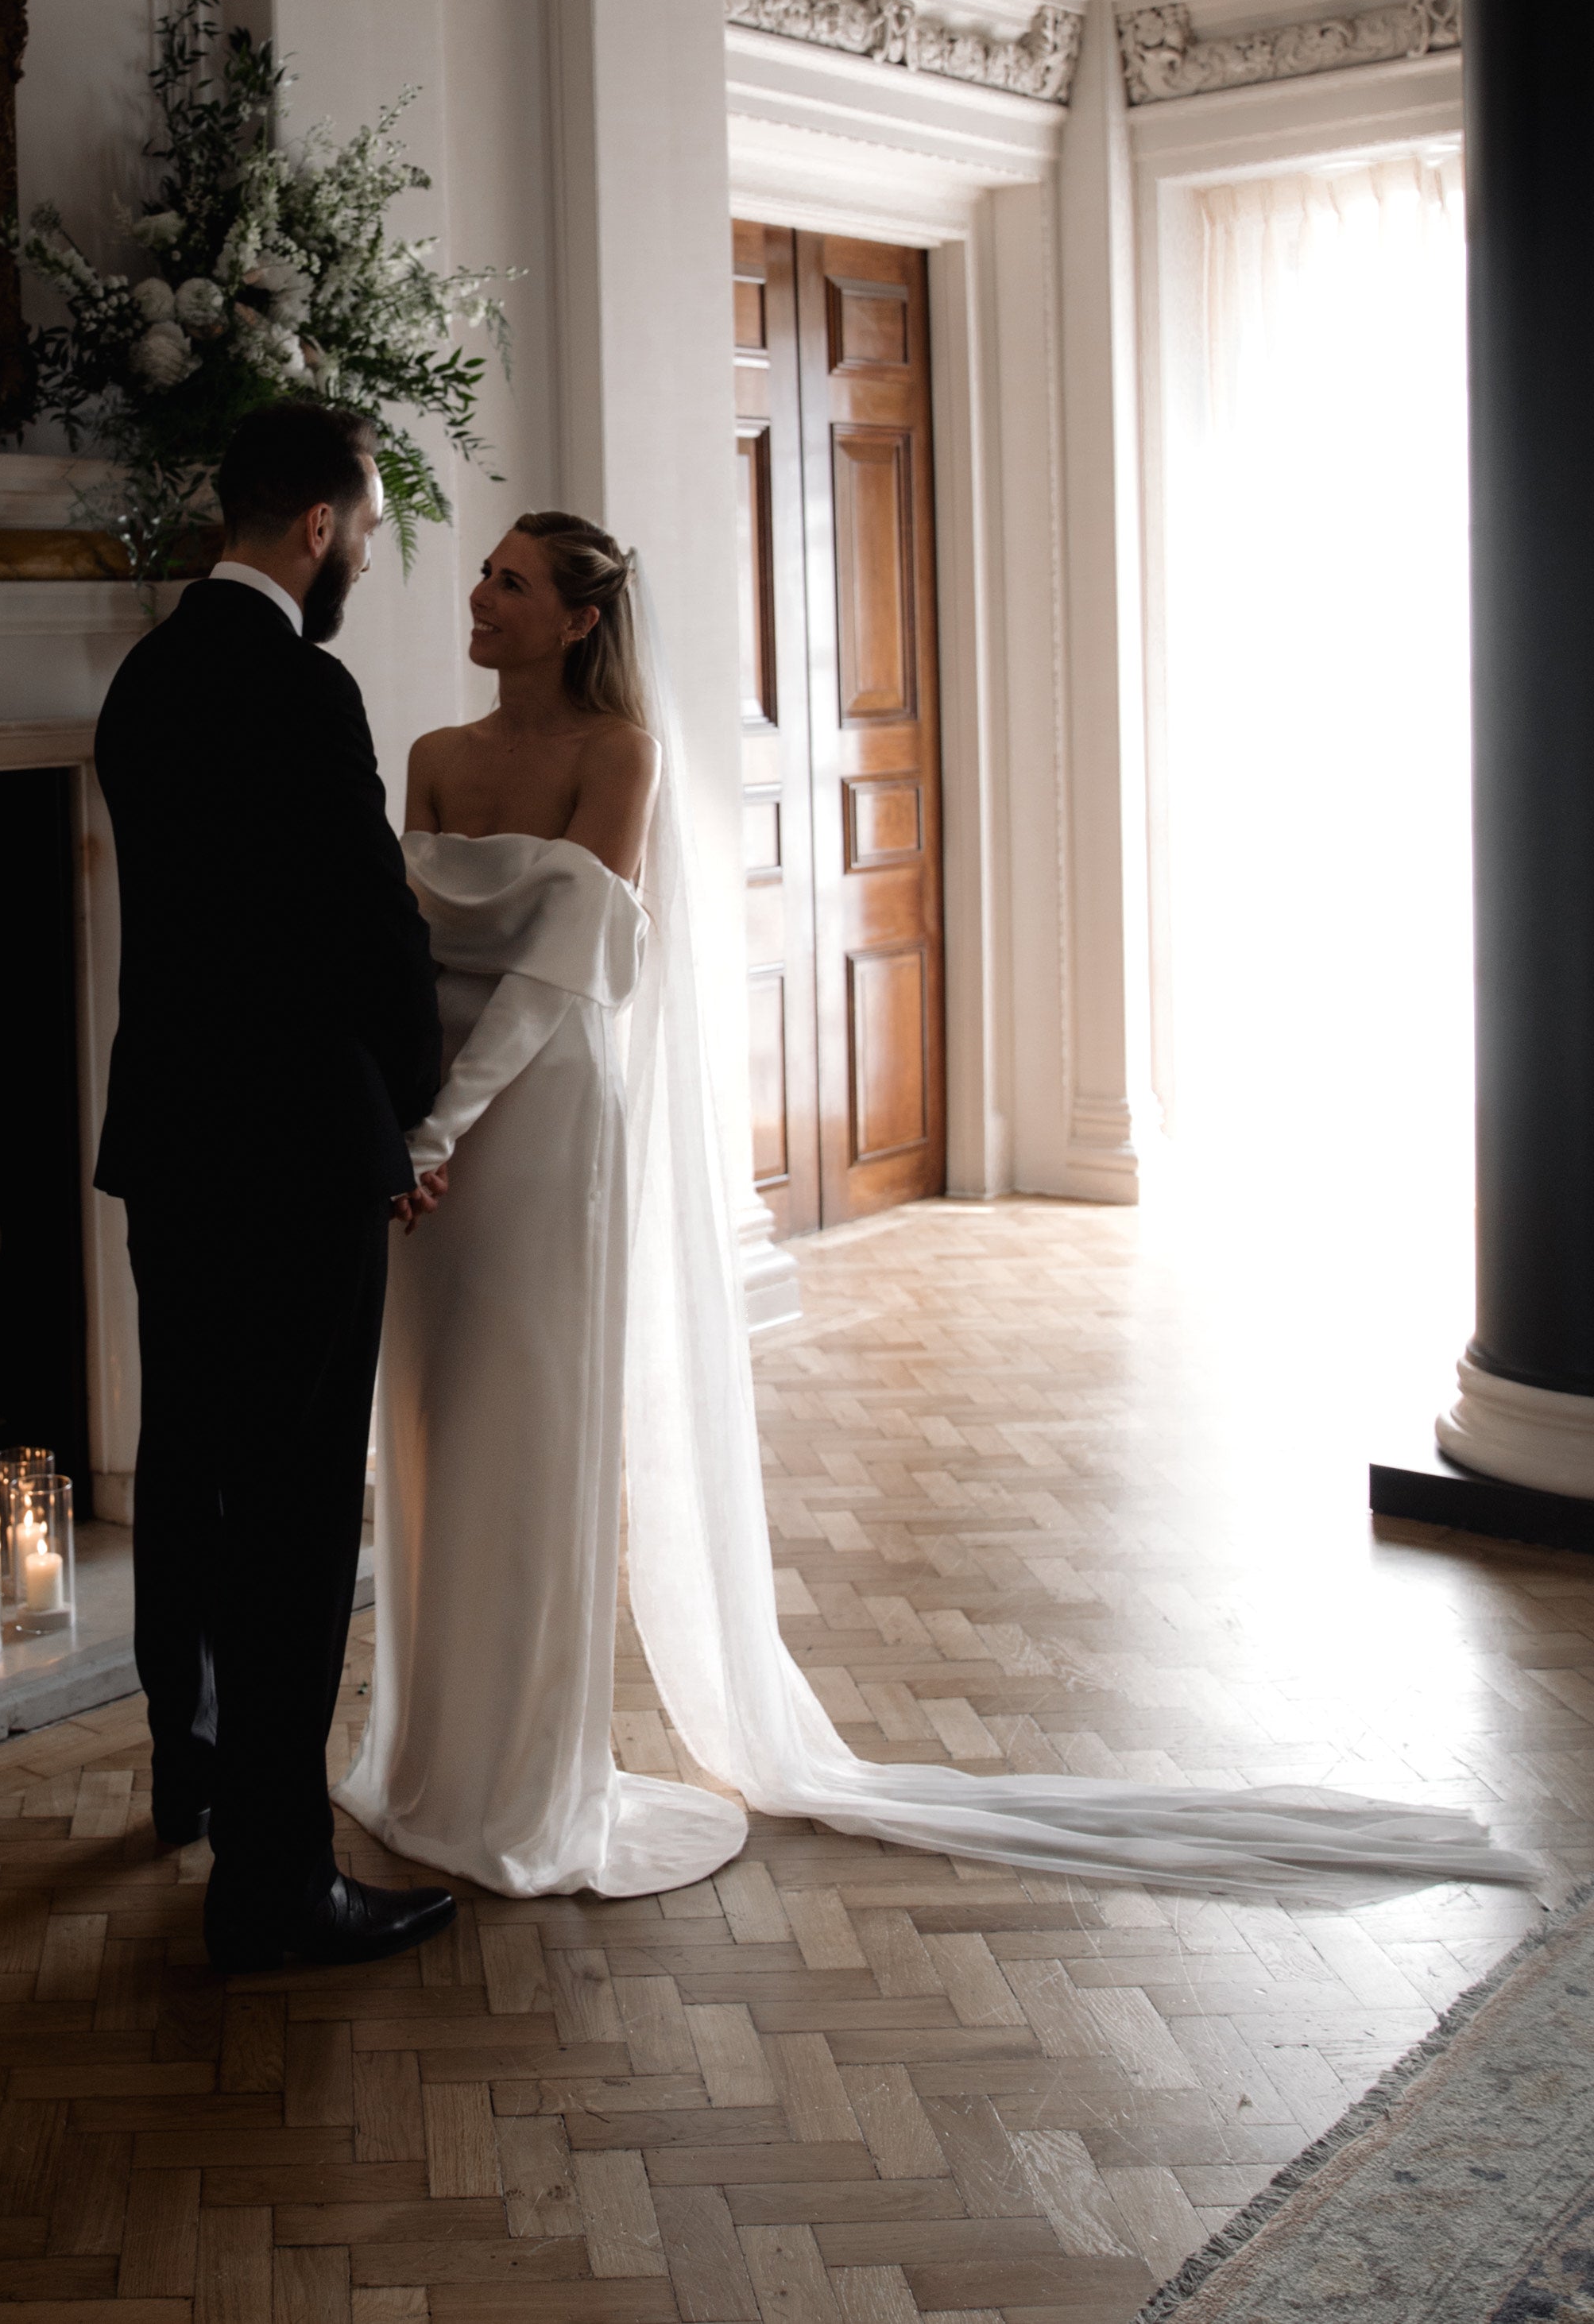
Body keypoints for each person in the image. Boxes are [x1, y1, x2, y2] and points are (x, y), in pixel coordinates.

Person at [339, 511, 1535, 1908]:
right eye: (484, 575)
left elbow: (562, 972)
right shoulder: (433, 756)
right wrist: (397, 1127)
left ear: (579, 619)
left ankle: (523, 1787)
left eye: (510, 582)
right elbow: (392, 953)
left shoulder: (623, 758)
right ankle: (427, 1764)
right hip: (429, 1139)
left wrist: (439, 1123)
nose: (476, 598)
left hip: (537, 1120)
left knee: (532, 1423)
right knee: (432, 1420)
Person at [93, 403, 458, 1974]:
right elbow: (373, 936)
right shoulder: (306, 692)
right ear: (317, 523)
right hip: (299, 1155)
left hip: (171, 1145)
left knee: (189, 1466)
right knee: (301, 1512)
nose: (363, 558)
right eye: (368, 532)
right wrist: (418, 1114)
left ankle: (189, 1771)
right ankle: (277, 1879)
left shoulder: (140, 682)